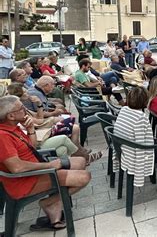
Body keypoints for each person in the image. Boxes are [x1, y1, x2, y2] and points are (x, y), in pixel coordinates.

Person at [0, 95, 91, 231]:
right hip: (24, 181)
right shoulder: (3, 136)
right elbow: (17, 167)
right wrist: (49, 165)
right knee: (84, 177)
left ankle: (55, 202)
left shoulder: (13, 127)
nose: (25, 109)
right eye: (21, 108)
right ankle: (50, 203)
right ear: (11, 116)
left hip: (33, 171)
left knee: (80, 161)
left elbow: (31, 147)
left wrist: (30, 129)